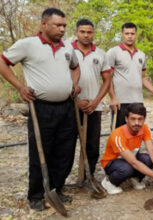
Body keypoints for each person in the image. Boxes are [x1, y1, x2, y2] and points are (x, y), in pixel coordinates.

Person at [0, 8, 80, 210]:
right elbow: (2, 62)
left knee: (65, 151)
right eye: (58, 25)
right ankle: (35, 196)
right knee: (40, 152)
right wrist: (20, 87)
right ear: (44, 24)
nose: (62, 29)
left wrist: (74, 84)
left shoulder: (68, 48)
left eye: (64, 26)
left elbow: (75, 67)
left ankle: (56, 190)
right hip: (41, 109)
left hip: (67, 107)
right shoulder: (28, 44)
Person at [100, 103, 153, 194]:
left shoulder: (144, 128)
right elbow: (133, 162)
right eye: (133, 119)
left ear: (144, 119)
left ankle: (135, 179)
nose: (136, 123)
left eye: (140, 119)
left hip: (130, 158)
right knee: (126, 168)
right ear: (126, 119)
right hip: (112, 162)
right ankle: (109, 182)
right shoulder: (118, 135)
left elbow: (152, 150)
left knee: (148, 159)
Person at [72, 18, 112, 176]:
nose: (86, 35)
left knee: (92, 145)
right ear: (76, 32)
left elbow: (107, 80)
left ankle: (89, 176)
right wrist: (76, 102)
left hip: (94, 108)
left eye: (89, 32)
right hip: (71, 107)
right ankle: (66, 178)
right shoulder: (68, 51)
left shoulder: (101, 54)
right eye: (82, 31)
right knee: (67, 144)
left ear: (93, 33)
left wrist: (95, 102)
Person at [107, 22, 153, 128]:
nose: (129, 36)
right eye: (127, 33)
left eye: (132, 33)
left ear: (136, 35)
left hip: (138, 101)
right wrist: (113, 98)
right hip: (120, 102)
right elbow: (108, 78)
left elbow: (143, 78)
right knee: (120, 133)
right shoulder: (113, 52)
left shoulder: (141, 54)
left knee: (136, 132)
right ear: (122, 34)